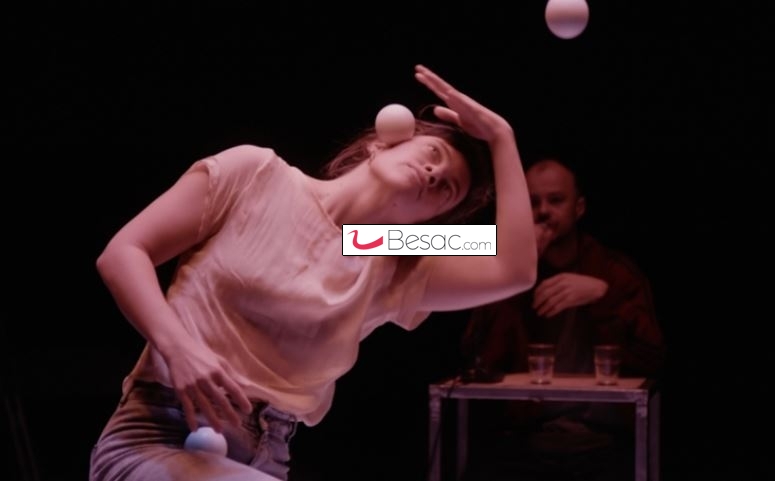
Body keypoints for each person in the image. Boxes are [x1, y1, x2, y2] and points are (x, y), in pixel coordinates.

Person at [89, 64, 537, 481]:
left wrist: (502, 137)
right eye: (433, 153)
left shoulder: (390, 255)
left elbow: (514, 268)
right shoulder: (258, 173)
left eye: (448, 189)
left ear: (427, 224)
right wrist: (179, 348)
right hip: (160, 434)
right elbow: (124, 253)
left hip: (267, 455)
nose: (435, 173)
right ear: (381, 143)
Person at [460, 157, 666, 481]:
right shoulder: (503, 275)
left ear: (579, 208)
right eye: (533, 202)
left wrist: (602, 296)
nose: (543, 211)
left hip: (602, 440)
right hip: (525, 440)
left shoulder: (612, 271)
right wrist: (517, 271)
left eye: (556, 200)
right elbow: (477, 359)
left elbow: (653, 359)